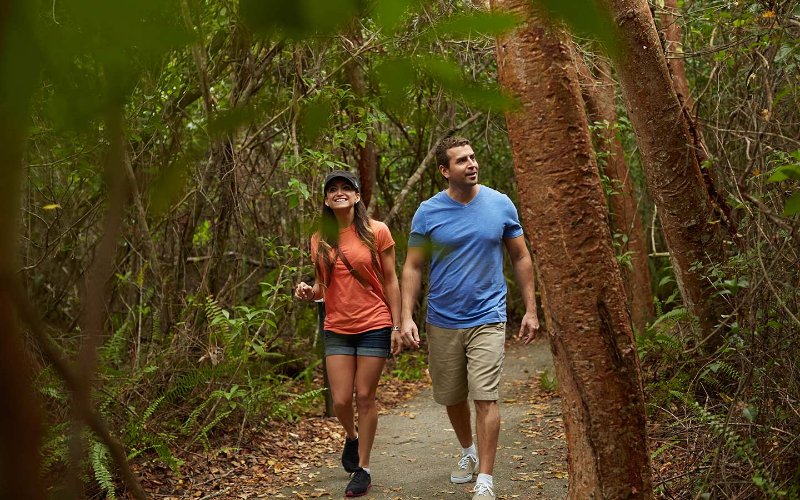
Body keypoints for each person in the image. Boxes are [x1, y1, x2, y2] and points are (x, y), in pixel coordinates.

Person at [400, 137, 540, 500]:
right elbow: (413, 266)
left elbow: (521, 257)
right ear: (445, 171)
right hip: (442, 318)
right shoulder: (428, 212)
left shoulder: (500, 204)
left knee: (486, 398)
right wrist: (406, 317)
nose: (472, 164)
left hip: (487, 316)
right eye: (462, 161)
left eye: (473, 157)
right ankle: (468, 451)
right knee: (451, 396)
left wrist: (531, 309)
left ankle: (486, 479)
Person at [294, 170, 403, 498]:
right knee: (341, 400)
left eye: (346, 188)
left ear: (357, 196)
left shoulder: (377, 231)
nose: (339, 192)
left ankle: (363, 469)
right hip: (337, 327)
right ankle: (352, 437)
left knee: (365, 396)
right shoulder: (318, 238)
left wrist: (396, 326)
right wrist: (308, 293)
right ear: (326, 200)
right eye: (332, 190)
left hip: (374, 322)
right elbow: (323, 287)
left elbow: (391, 280)